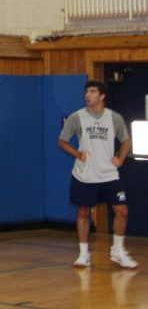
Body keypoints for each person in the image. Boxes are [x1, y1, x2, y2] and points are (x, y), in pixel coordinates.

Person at [58, 80, 137, 269]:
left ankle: (118, 251)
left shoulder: (113, 118)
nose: (88, 95)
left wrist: (121, 158)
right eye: (86, 91)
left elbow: (126, 141)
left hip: (109, 174)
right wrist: (77, 153)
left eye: (92, 92)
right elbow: (62, 141)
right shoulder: (77, 117)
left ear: (102, 96)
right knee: (83, 212)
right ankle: (84, 254)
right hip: (85, 175)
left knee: (122, 210)